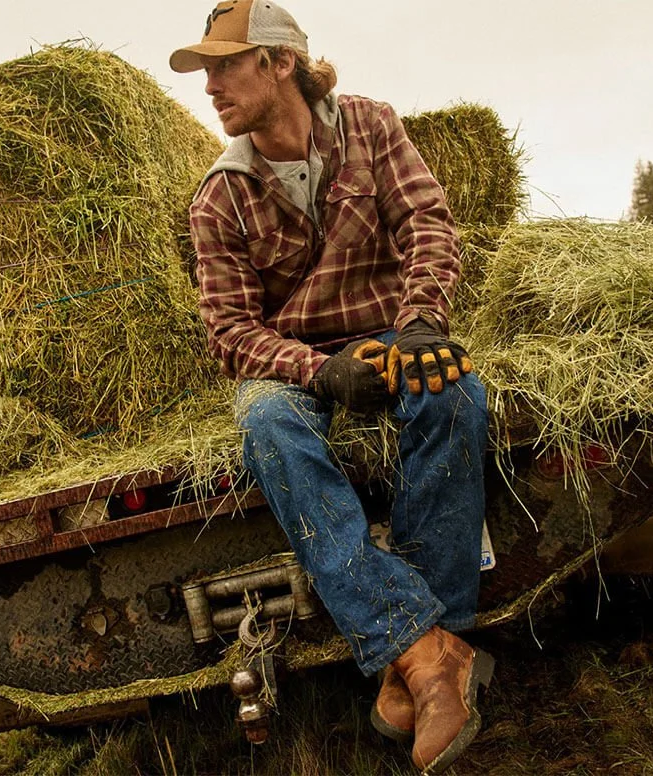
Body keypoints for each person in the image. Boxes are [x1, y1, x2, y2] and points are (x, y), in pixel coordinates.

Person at [171, 2, 493, 771]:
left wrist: (420, 324)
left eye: (225, 64)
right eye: (205, 70)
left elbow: (427, 222)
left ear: (279, 63)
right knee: (268, 427)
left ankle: (413, 657)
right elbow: (231, 332)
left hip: (390, 332)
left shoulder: (370, 126)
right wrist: (321, 371)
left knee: (455, 392)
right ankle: (424, 650)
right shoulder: (219, 197)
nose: (209, 85)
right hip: (296, 361)